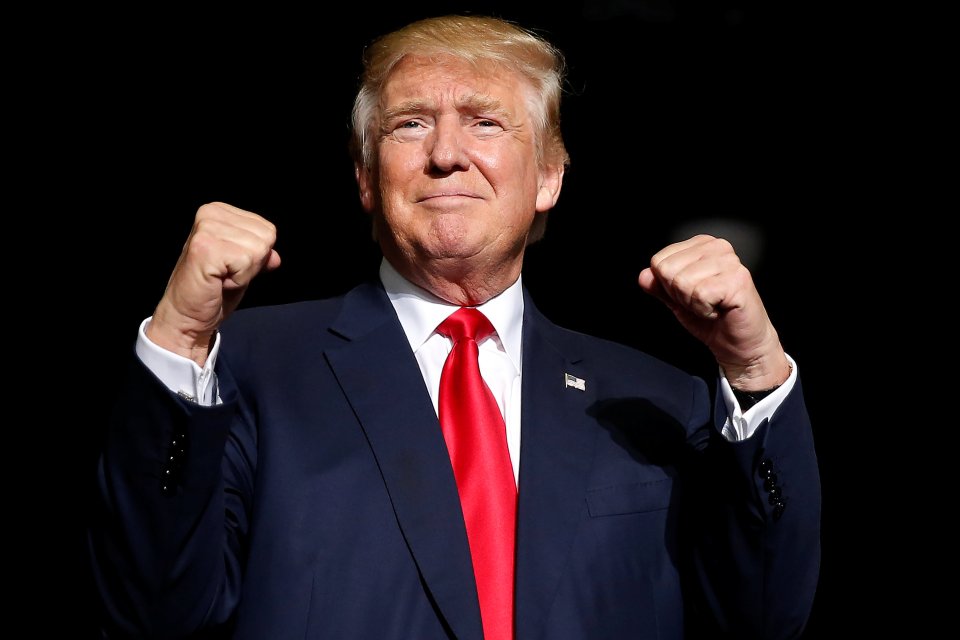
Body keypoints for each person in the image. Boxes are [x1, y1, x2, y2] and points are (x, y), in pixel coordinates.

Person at [88, 14, 820, 640]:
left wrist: (756, 371)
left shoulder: (657, 398)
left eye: (485, 121)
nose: (445, 154)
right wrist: (181, 339)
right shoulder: (244, 369)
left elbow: (763, 617)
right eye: (410, 124)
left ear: (548, 178)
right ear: (367, 178)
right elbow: (153, 613)